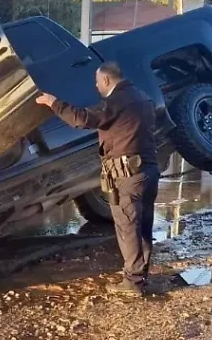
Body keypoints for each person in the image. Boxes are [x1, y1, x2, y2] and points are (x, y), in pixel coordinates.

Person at [36, 62, 159, 296]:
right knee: (142, 225)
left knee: (127, 227)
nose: (95, 85)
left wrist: (53, 103)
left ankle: (133, 282)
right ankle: (140, 275)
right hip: (149, 172)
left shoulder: (116, 102)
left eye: (96, 81)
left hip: (129, 175)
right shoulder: (142, 97)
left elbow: (82, 119)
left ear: (106, 81)